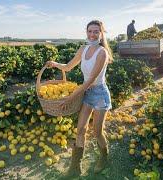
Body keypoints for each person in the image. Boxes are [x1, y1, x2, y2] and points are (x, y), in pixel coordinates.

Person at [46, 20, 113, 177]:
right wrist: (55, 64)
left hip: (99, 94)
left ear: (101, 33)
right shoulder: (83, 49)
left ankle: (104, 157)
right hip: (86, 93)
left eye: (96, 31)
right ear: (86, 32)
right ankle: (75, 167)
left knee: (97, 131)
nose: (92, 34)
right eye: (90, 31)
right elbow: (68, 67)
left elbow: (90, 81)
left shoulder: (102, 53)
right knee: (81, 129)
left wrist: (70, 98)